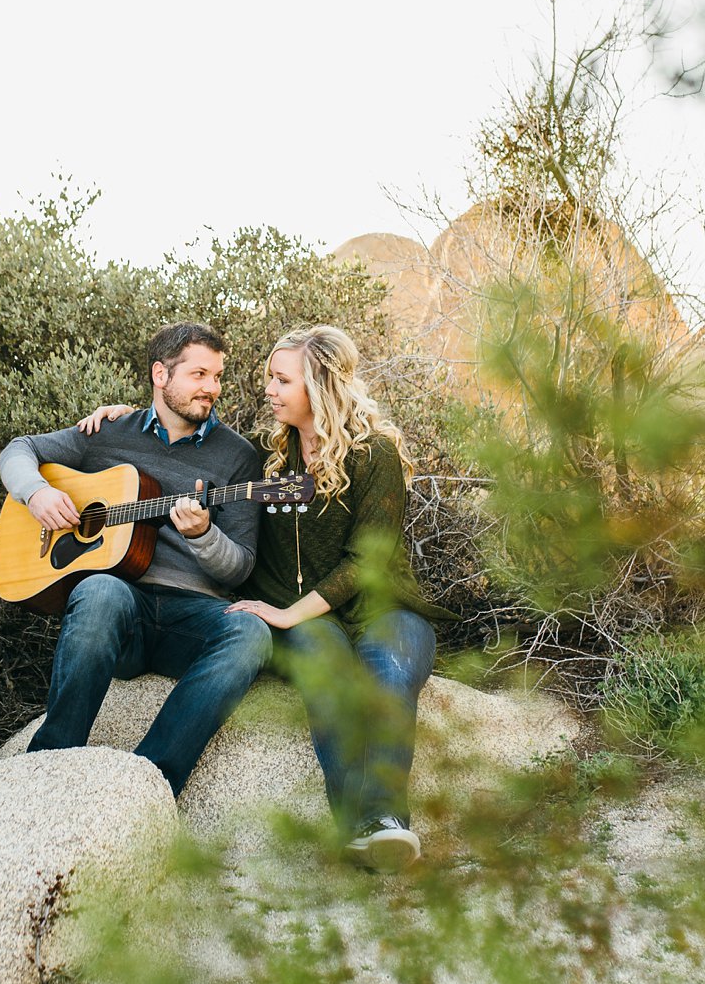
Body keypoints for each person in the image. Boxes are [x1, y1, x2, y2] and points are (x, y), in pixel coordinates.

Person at [77, 327, 446, 868]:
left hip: (380, 609)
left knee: (388, 669)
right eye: (269, 379)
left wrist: (289, 612)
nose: (268, 390)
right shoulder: (269, 458)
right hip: (311, 622)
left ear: (319, 384)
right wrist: (127, 416)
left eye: (281, 380)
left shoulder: (375, 455)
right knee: (327, 672)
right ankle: (355, 827)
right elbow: (188, 421)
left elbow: (368, 560)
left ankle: (384, 820)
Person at [0, 326, 272, 797]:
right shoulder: (106, 432)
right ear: (160, 373)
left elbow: (240, 567)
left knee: (252, 632)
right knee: (99, 589)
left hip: (190, 615)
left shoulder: (239, 458)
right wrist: (36, 492)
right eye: (199, 374)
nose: (212, 388)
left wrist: (203, 535)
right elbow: (18, 450)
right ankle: (48, 764)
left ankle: (150, 780)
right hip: (119, 614)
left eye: (218, 376)